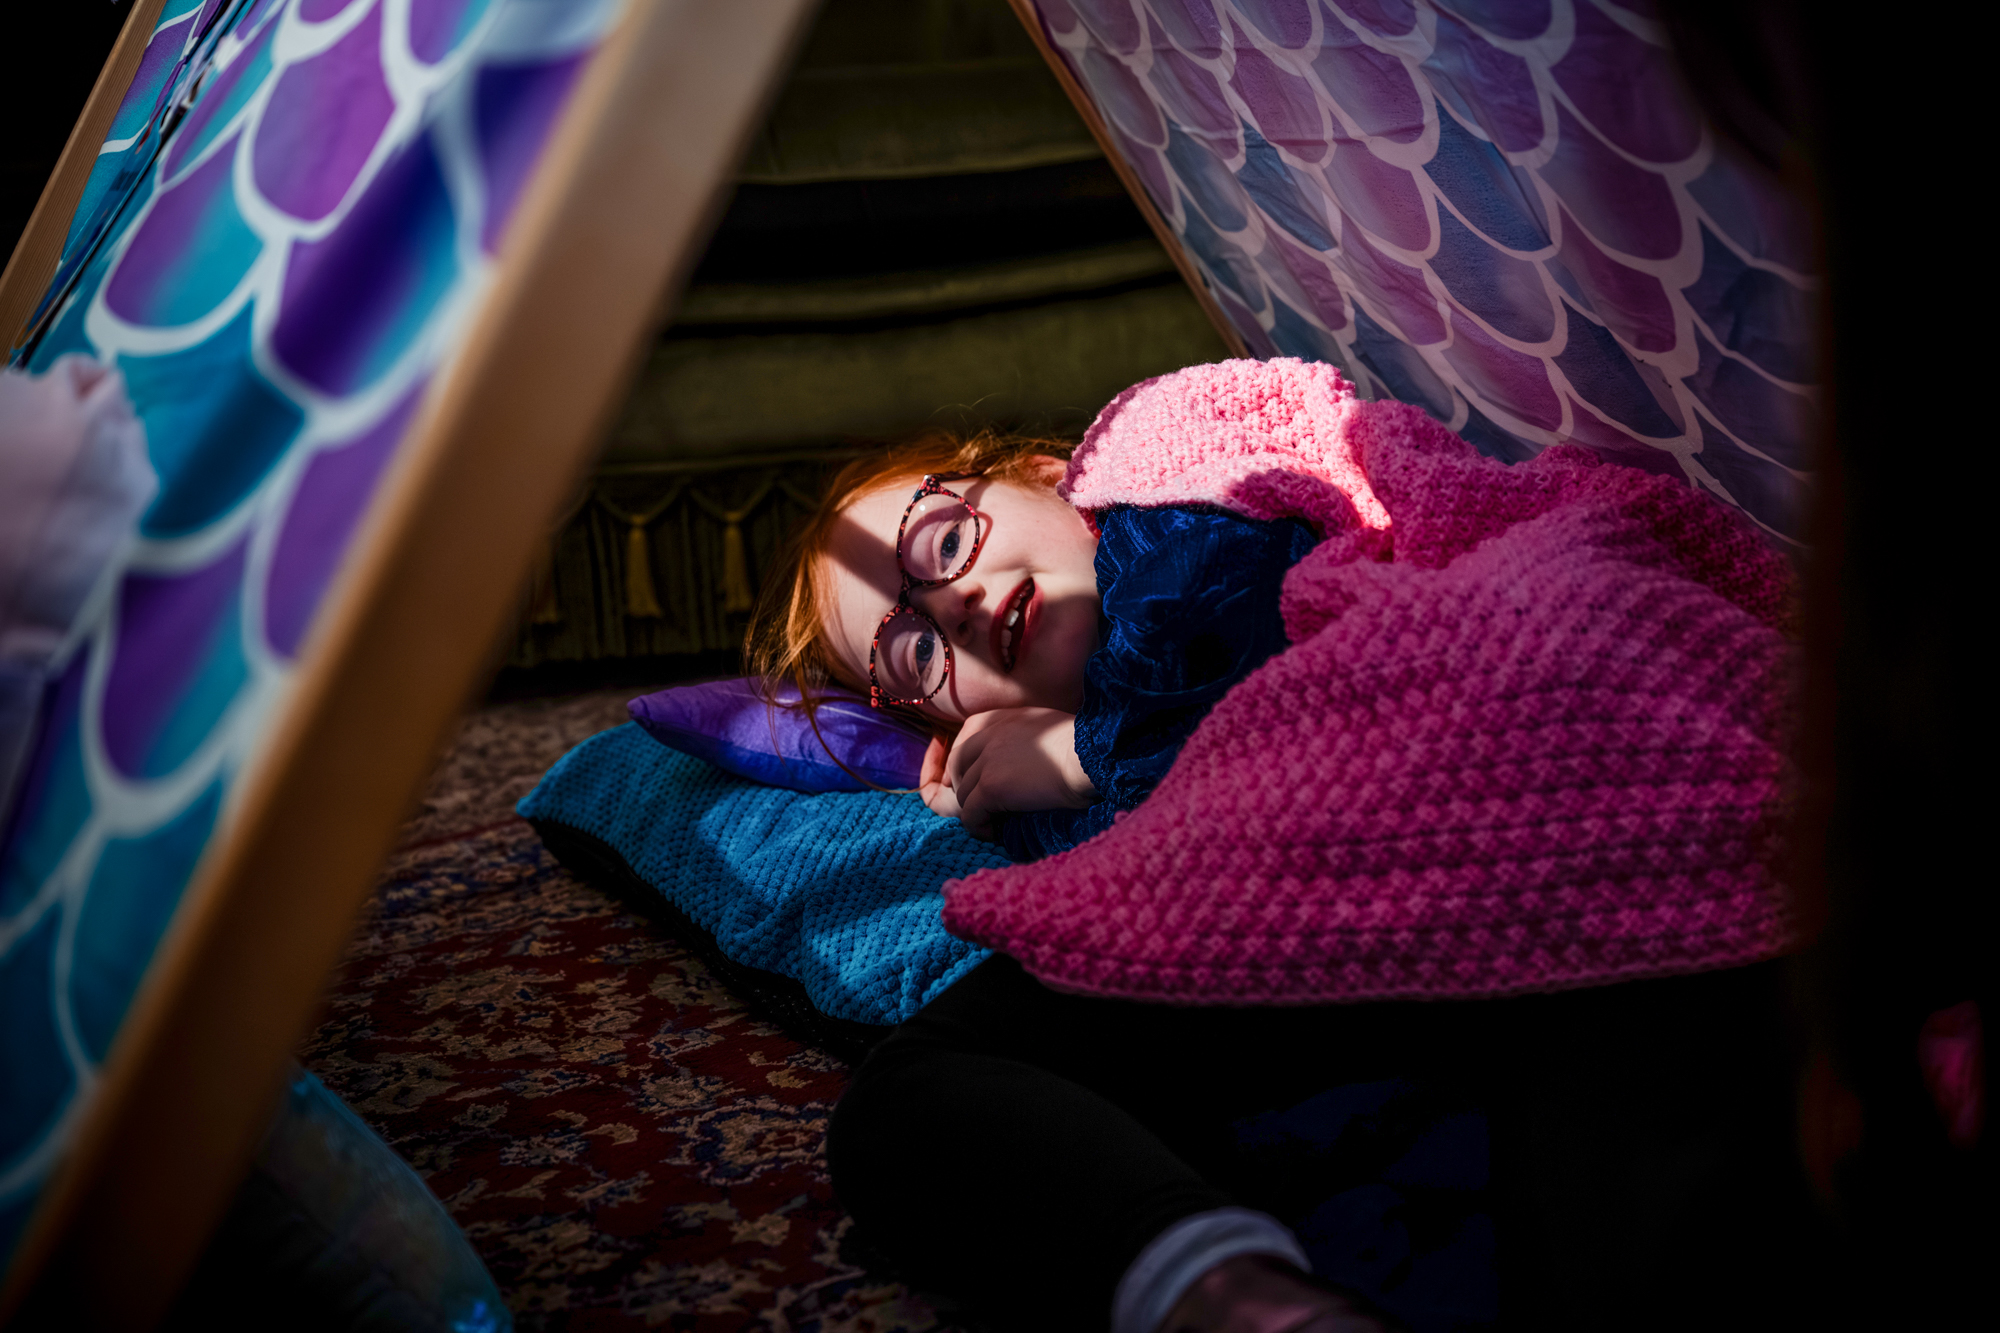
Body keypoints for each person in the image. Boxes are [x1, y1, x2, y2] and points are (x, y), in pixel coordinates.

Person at [745, 412, 1828, 1333]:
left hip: (1589, 810)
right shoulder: (1055, 802)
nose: (952, 606)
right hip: (1364, 938)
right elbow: (1153, 869)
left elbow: (1258, 657)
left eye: (941, 542)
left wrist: (1082, 754)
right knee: (904, 1098)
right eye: (912, 653)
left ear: (1048, 476)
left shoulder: (1194, 513)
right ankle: (1234, 1297)